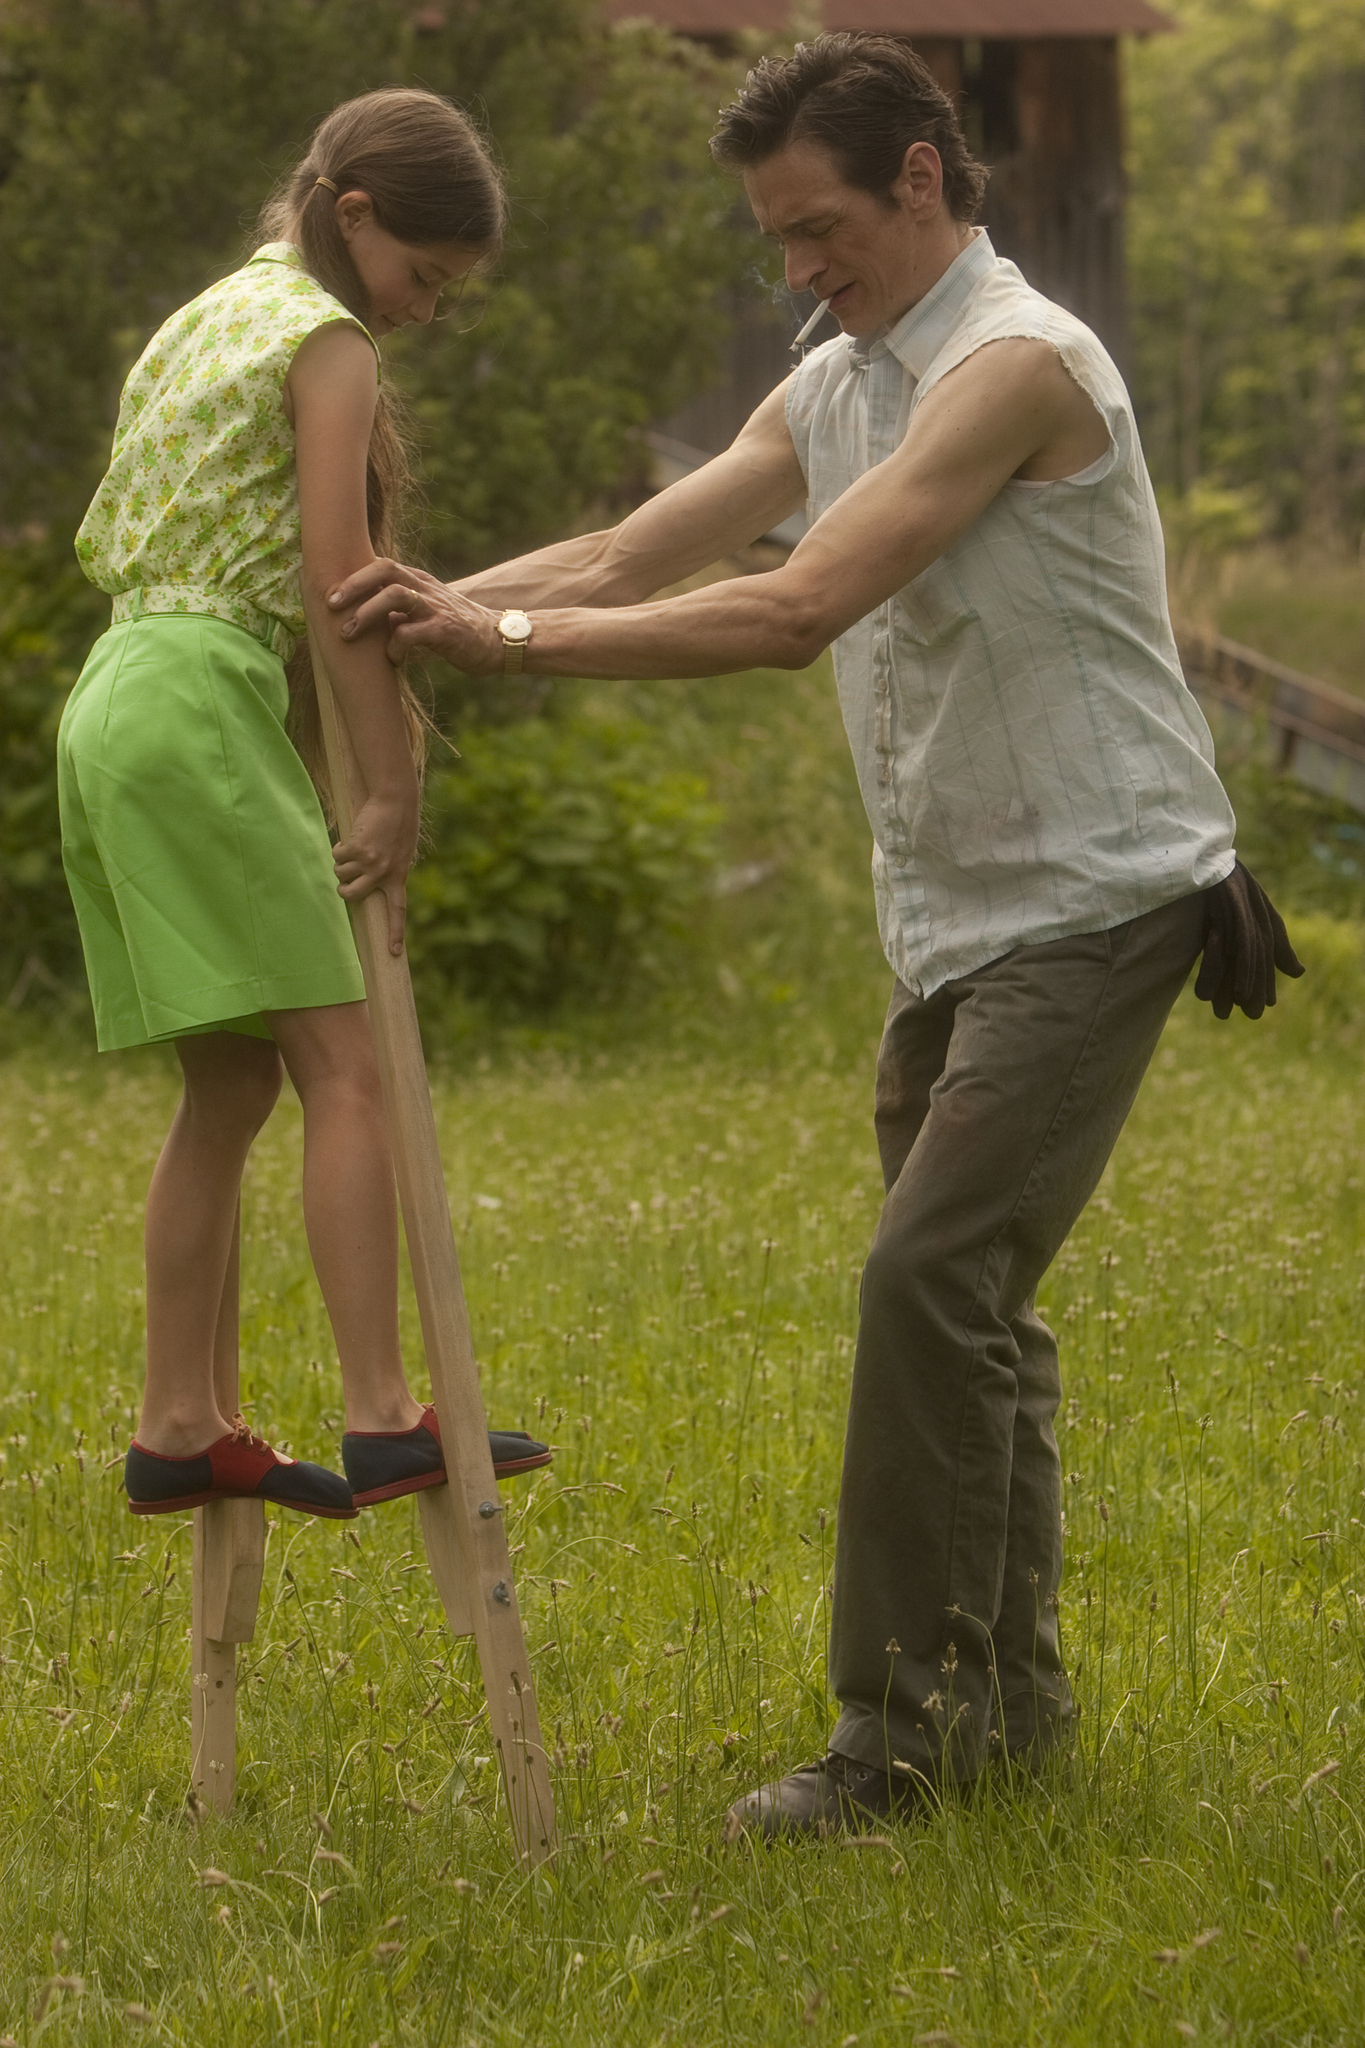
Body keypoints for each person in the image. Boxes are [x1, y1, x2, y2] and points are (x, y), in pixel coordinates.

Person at [328, 38, 1301, 1827]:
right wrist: (427, 603)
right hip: (951, 913)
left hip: (1100, 897)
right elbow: (634, 553)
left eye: (820, 227)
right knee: (974, 1307)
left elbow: (791, 609)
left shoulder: (1017, 369)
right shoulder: (838, 373)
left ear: (922, 177)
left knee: (927, 1275)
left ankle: (896, 1740)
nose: (795, 268)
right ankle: (1007, 1713)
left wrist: (498, 650)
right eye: (775, 236)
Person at [58, 87, 550, 1524]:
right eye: (422, 278)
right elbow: (345, 583)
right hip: (200, 695)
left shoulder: (209, 312)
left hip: (113, 696)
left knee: (228, 1080)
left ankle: (178, 1421)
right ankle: (384, 1411)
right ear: (354, 219)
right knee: (343, 1067)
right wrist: (391, 788)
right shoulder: (322, 341)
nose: (423, 311)